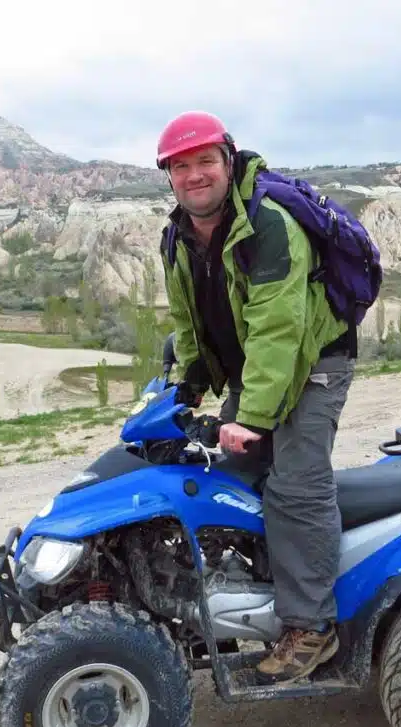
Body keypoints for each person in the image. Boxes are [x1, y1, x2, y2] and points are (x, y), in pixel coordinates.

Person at [156, 110, 356, 685]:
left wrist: (253, 418)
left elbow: (279, 328)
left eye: (205, 162)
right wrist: (184, 388)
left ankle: (312, 627)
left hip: (316, 358)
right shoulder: (177, 239)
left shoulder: (268, 224)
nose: (195, 175)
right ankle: (262, 586)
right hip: (260, 364)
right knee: (229, 468)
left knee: (296, 480)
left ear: (228, 161)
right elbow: (187, 323)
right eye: (181, 166)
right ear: (168, 175)